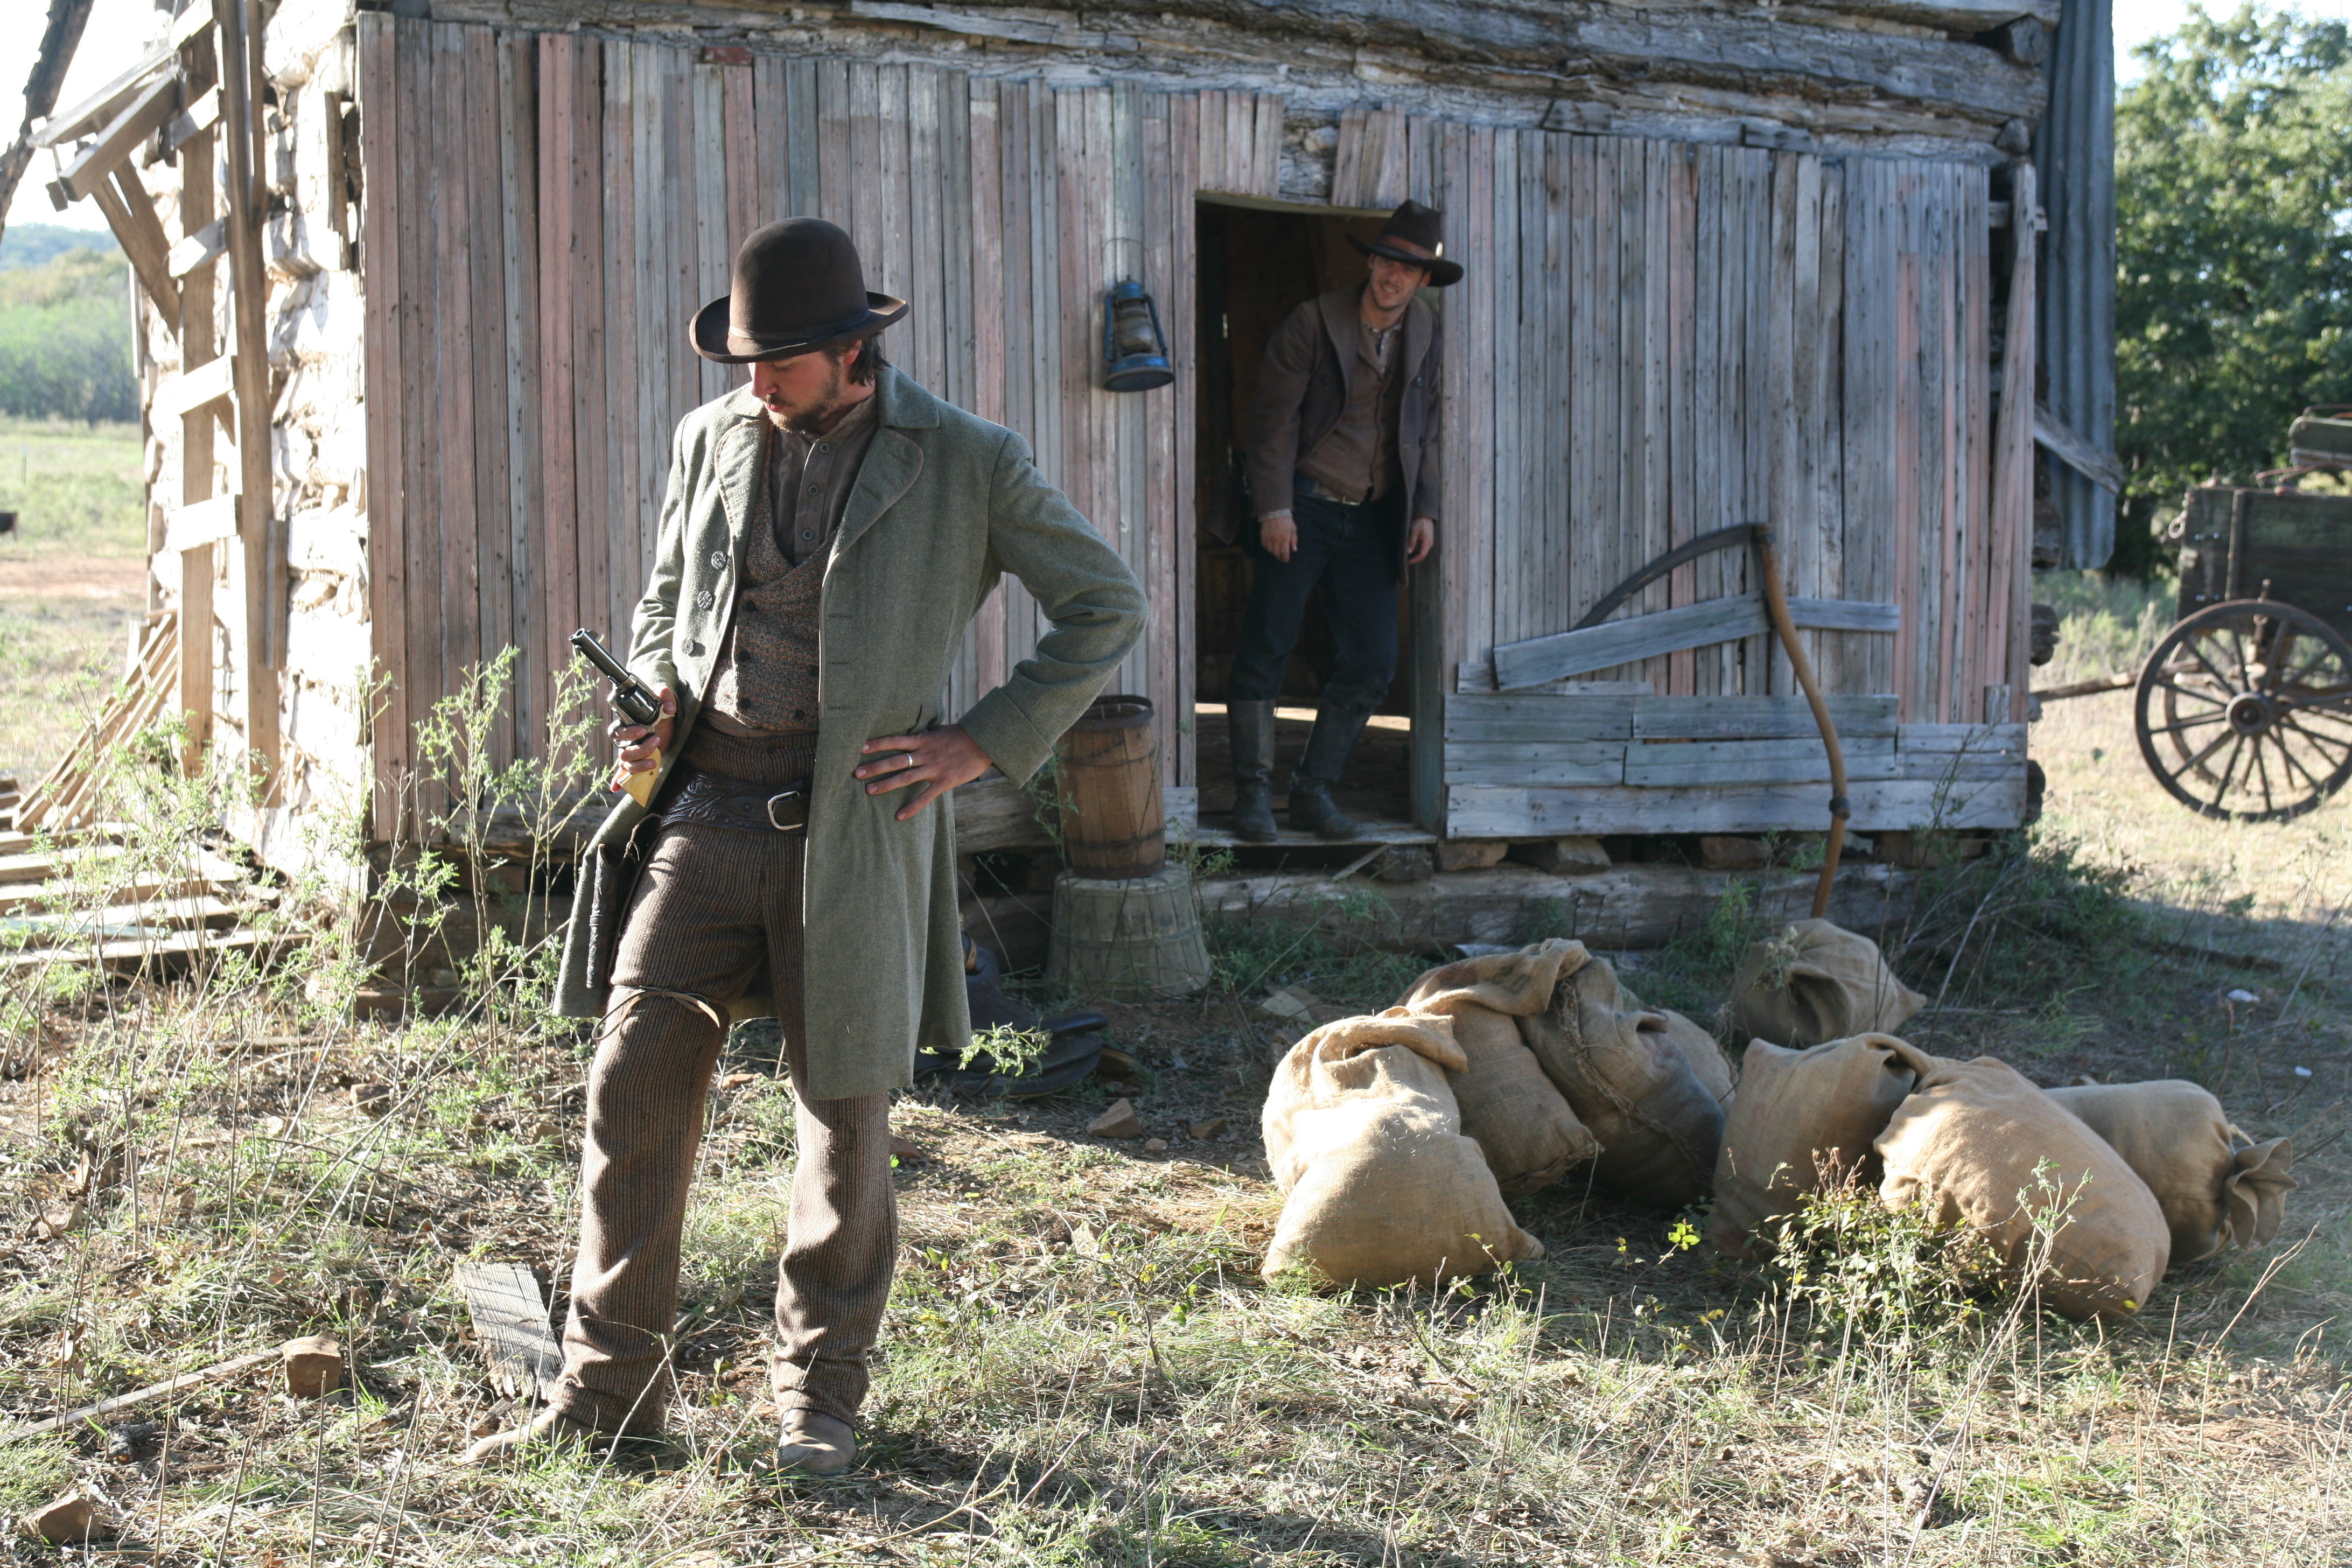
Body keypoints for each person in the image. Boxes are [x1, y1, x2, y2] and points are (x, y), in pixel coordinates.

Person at [467, 218, 1144, 1473]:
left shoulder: (968, 461)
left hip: (858, 835)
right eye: (741, 356)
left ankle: (819, 1404)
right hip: (708, 813)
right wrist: (656, 696)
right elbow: (667, 601)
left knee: (845, 1120)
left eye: (778, 360)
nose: (753, 381)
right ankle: (609, 1398)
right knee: (632, 1090)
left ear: (854, 351)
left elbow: (1107, 605)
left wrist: (981, 743)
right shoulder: (710, 439)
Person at [1228, 200, 1458, 841]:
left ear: (1422, 281)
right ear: (1374, 263)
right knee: (1266, 646)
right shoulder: (1314, 321)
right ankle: (1251, 795)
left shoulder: (1427, 332)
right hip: (1303, 501)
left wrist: (1426, 510)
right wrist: (1273, 506)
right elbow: (1273, 420)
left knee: (1372, 662)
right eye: (1388, 261)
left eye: (1410, 269)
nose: (1394, 276)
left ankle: (1313, 794)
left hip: (1376, 515)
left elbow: (1427, 431)